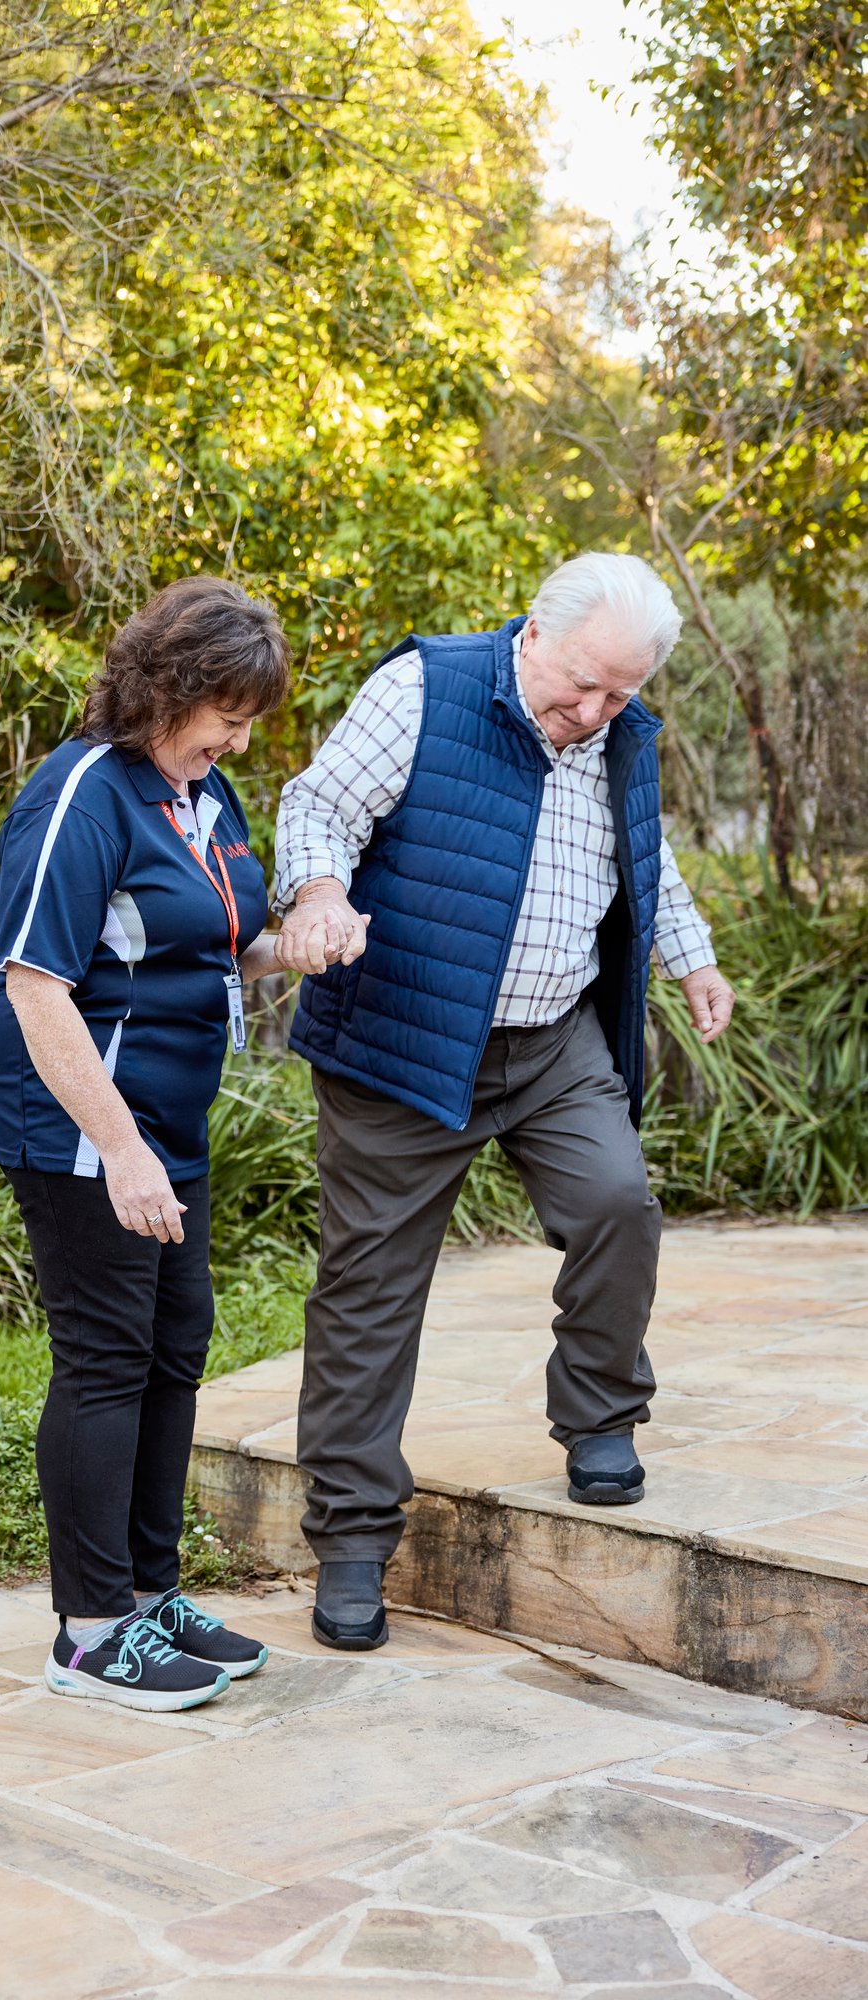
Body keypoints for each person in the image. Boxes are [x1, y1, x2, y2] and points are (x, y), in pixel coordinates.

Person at [272, 552, 736, 1652]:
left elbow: (644, 858)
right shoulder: (425, 687)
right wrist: (322, 888)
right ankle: (347, 1541)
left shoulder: (617, 733)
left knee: (616, 1202)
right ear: (532, 632)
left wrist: (692, 961)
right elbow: (319, 804)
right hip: (401, 1038)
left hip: (548, 1041)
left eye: (617, 694)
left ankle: (598, 1418)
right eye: (579, 683)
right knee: (369, 1296)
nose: (590, 711)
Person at [0, 575, 289, 1711]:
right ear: (164, 689)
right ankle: (89, 1627)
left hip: (168, 1114)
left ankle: (149, 1596)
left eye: (248, 721)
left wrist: (297, 940)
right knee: (107, 1350)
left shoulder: (204, 793)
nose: (237, 738)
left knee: (176, 1336)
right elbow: (36, 984)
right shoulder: (83, 793)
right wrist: (118, 1145)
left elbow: (218, 941)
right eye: (226, 716)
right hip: (76, 1114)